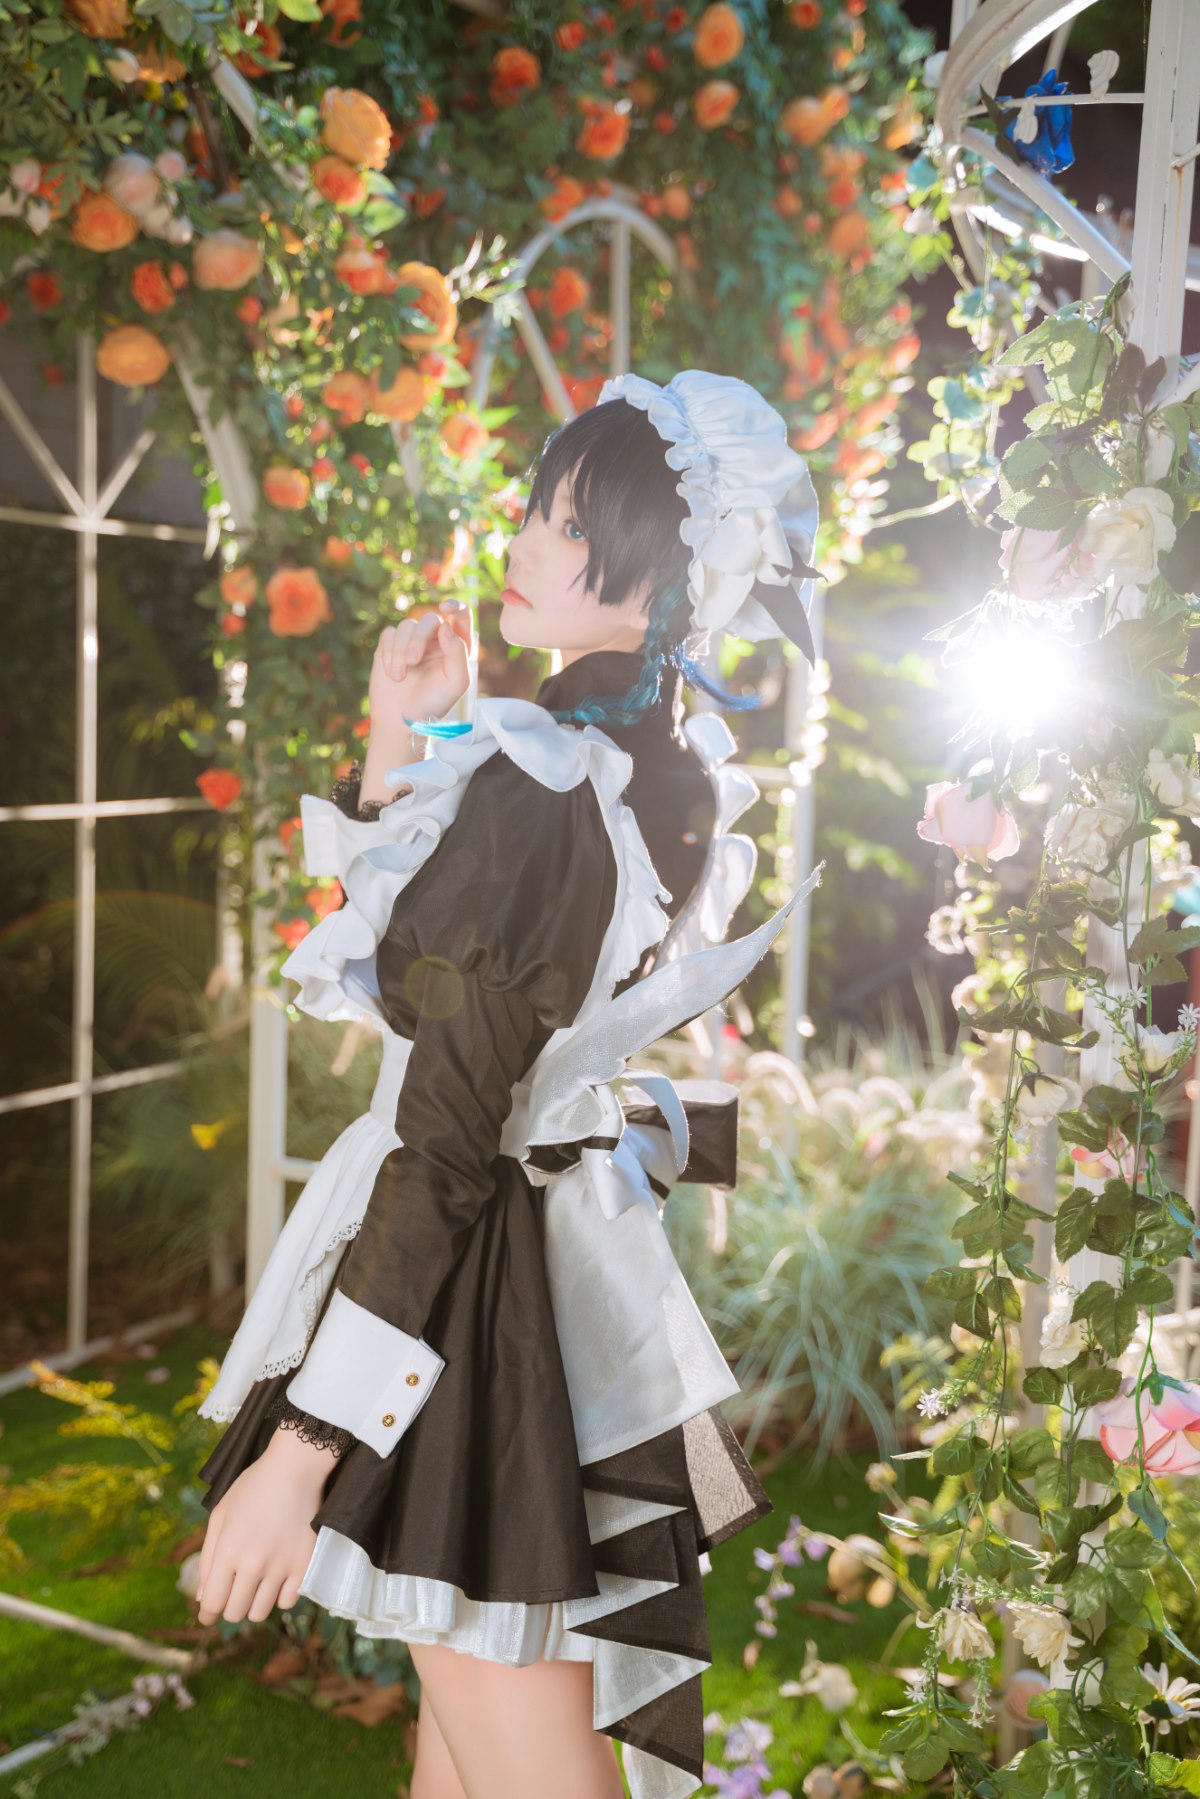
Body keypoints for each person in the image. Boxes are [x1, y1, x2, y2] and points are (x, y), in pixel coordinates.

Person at [192, 371, 823, 1799]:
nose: (525, 542)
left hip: (463, 1294)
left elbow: (444, 1133)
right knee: (462, 1762)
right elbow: (440, 990)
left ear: (661, 575)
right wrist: (397, 737)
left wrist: (303, 1451)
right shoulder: (657, 768)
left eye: (568, 523)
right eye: (539, 509)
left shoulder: (546, 785)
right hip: (534, 1272)